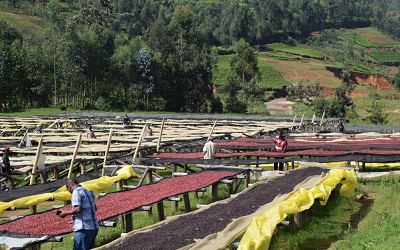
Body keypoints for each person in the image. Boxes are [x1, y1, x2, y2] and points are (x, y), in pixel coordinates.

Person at [59, 178, 99, 250]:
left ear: (70, 187)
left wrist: (65, 213)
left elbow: (78, 209)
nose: (69, 192)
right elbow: (94, 208)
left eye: (68, 190)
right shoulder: (88, 191)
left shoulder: (76, 192)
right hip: (94, 227)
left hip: (84, 228)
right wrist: (76, 219)